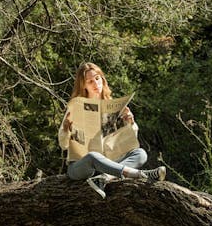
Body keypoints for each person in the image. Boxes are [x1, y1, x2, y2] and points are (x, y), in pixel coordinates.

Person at [58, 62, 166, 198]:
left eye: (97, 78)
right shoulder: (77, 107)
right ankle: (140, 175)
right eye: (90, 81)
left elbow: (129, 140)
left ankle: (104, 178)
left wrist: (130, 122)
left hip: (108, 164)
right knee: (92, 156)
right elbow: (63, 144)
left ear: (102, 79)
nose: (95, 83)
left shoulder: (112, 106)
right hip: (81, 166)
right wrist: (66, 128)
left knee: (140, 153)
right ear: (83, 85)